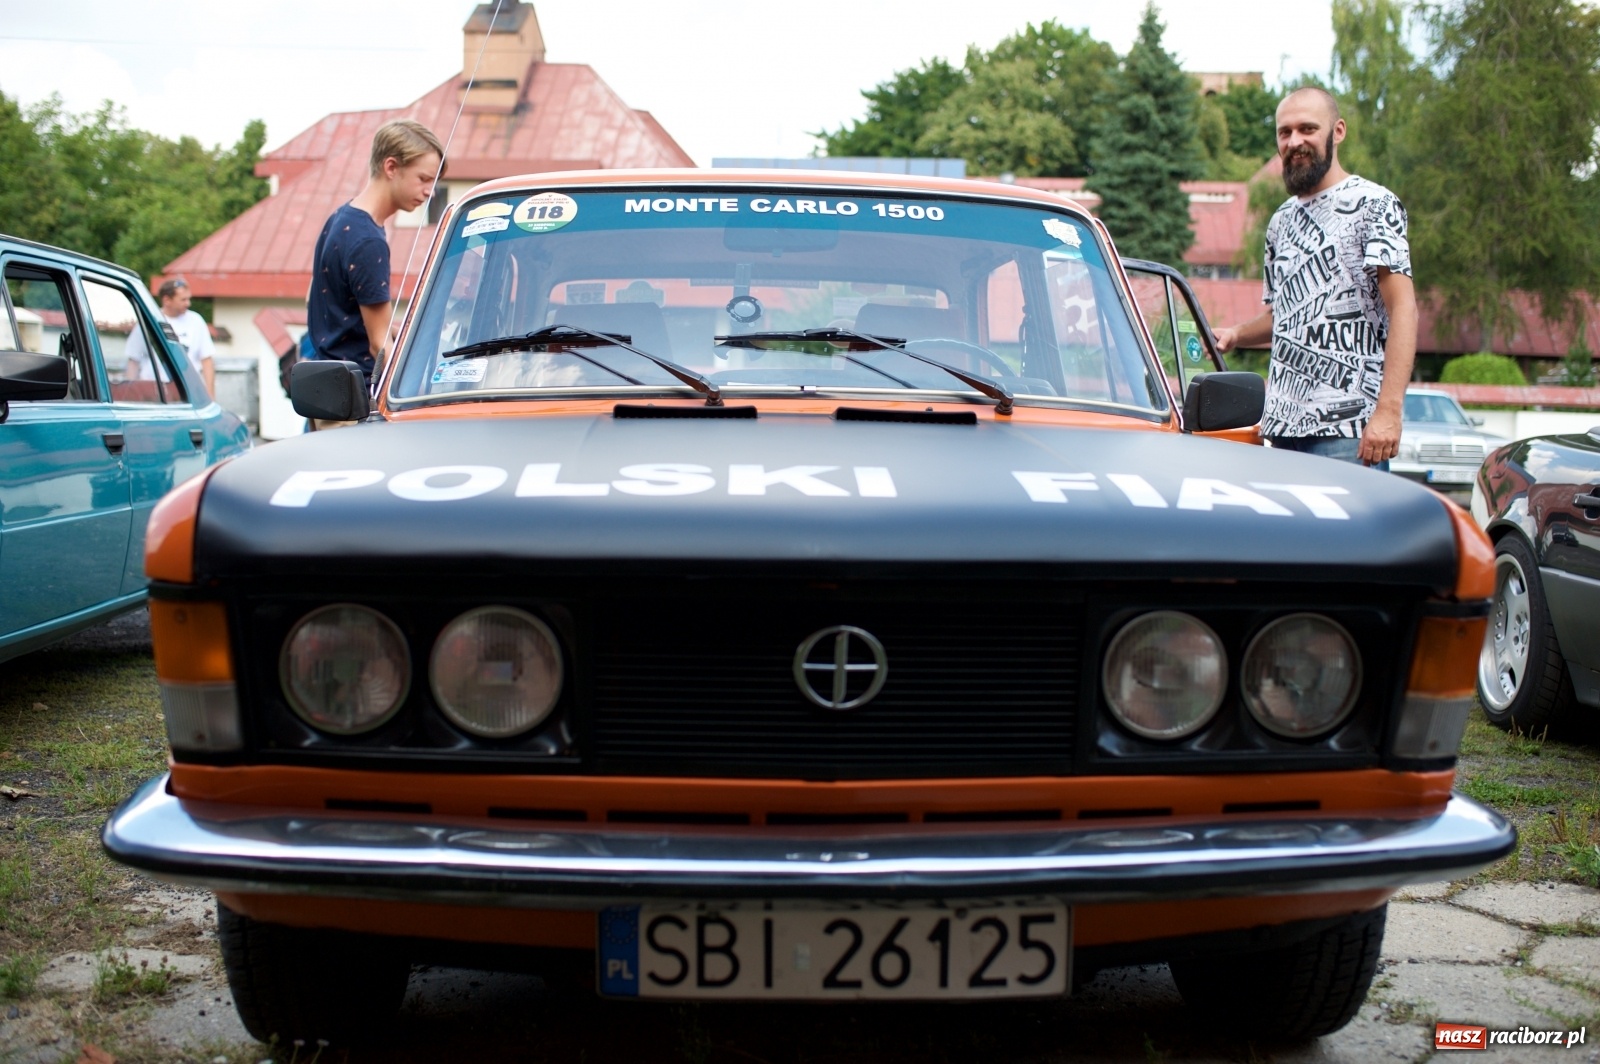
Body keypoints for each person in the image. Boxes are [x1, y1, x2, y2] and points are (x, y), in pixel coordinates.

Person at [1213, 87, 1417, 468]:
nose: (1295, 141)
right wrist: (1237, 334)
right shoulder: (1280, 222)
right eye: (1284, 132)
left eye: (1307, 128)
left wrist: (1389, 411)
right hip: (1283, 431)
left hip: (1349, 434)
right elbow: (1286, 316)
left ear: (1337, 132)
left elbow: (1403, 307)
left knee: (1351, 531)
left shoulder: (1375, 205)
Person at [306, 118, 444, 398]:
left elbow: (325, 303)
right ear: (391, 167)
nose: (430, 191)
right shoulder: (367, 239)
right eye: (424, 179)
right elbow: (379, 346)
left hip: (328, 394)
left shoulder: (341, 218)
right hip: (354, 404)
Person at [125, 277, 215, 395]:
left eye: (188, 299)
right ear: (167, 300)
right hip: (153, 393)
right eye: (183, 300)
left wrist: (210, 396)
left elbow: (207, 360)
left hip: (187, 393)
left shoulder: (196, 321)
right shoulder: (149, 321)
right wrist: (129, 393)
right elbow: (134, 360)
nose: (188, 303)